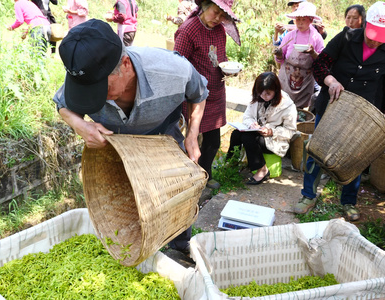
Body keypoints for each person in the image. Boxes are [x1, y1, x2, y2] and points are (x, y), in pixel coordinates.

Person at [52, 19, 208, 253]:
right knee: (129, 206)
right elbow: (62, 105)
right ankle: (138, 247)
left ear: (125, 64)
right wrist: (81, 126)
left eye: (100, 90)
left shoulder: (173, 71)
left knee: (175, 200)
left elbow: (199, 94)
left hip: (162, 139)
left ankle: (179, 244)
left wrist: (192, 134)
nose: (96, 99)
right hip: (118, 149)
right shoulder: (82, 79)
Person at [297, 1, 385, 219]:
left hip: (364, 112)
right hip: (332, 104)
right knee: (317, 150)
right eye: (372, 34)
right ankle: (308, 194)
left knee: (356, 157)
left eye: (380, 36)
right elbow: (320, 64)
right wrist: (330, 80)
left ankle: (348, 201)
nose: (374, 40)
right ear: (366, 24)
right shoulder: (346, 38)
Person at [174, 0, 241, 190]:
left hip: (216, 92)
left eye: (223, 15)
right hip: (194, 96)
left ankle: (205, 174)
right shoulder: (188, 30)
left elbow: (221, 57)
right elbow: (177, 64)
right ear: (204, 5)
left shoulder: (219, 30)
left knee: (213, 142)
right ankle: (188, 178)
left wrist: (229, 68)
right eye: (215, 12)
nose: (219, 18)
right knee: (192, 140)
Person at [227, 72, 297, 184]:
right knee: (236, 133)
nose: (264, 96)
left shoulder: (287, 106)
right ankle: (232, 161)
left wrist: (270, 132)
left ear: (276, 91)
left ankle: (262, 169)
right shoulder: (256, 98)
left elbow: (291, 131)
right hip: (257, 133)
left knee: (248, 137)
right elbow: (247, 116)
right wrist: (252, 124)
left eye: (268, 94)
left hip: (275, 140)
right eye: (261, 93)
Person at [274, 2, 324, 110]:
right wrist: (278, 54)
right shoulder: (289, 36)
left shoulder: (316, 37)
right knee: (282, 106)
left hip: (305, 81)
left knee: (299, 111)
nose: (300, 23)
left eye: (303, 20)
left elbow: (323, 60)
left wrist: (312, 53)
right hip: (286, 78)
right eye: (298, 20)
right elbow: (280, 58)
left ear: (311, 20)